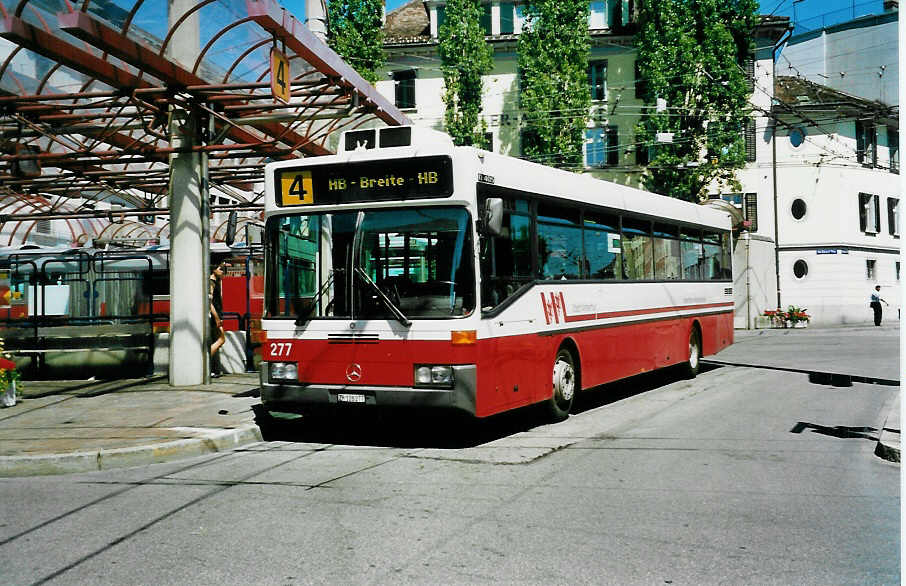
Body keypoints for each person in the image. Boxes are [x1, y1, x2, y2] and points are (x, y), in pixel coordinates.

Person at [209, 256, 227, 376]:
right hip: (214, 317)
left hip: (217, 316)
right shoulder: (211, 282)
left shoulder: (215, 281)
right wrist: (216, 318)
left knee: (217, 340)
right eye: (220, 268)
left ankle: (214, 369)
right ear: (213, 269)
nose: (222, 271)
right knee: (221, 339)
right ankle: (203, 363)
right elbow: (209, 302)